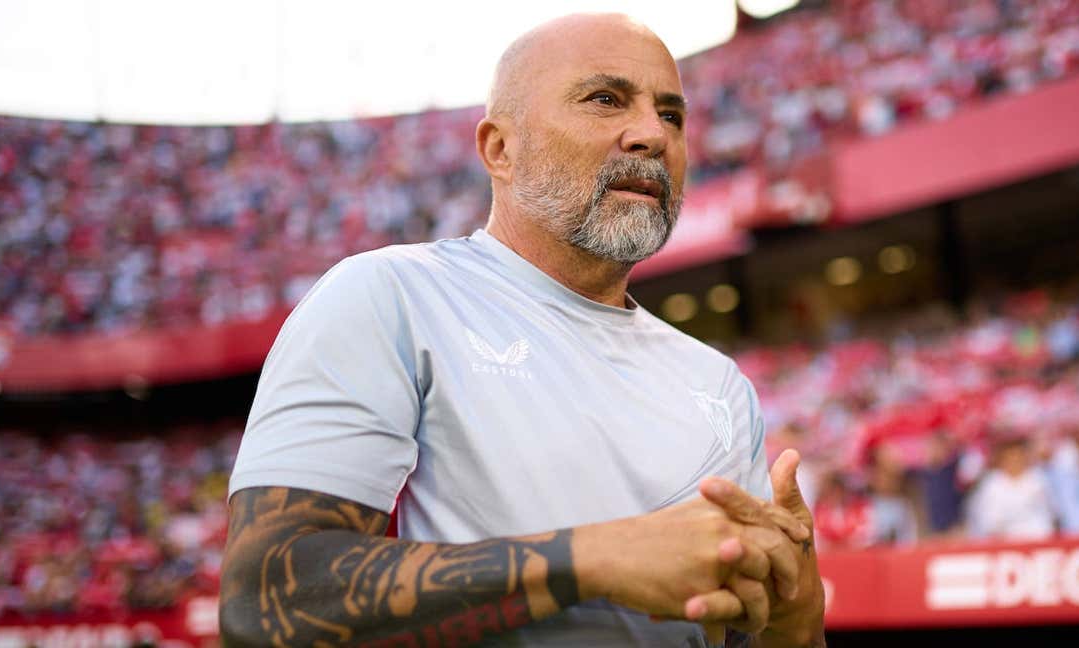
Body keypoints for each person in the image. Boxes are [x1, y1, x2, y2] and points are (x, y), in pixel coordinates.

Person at [219, 13, 825, 648]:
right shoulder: (392, 298)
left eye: (671, 115)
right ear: (500, 150)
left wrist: (792, 613)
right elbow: (263, 604)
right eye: (605, 100)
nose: (651, 134)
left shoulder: (718, 384)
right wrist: (598, 558)